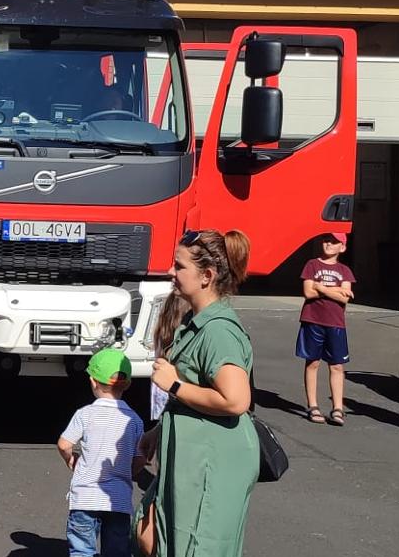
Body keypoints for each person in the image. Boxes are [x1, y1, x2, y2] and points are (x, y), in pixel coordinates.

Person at [140, 229, 256, 557]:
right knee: (154, 536)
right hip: (190, 456)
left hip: (211, 461)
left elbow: (235, 400)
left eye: (179, 267)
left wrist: (175, 384)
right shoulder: (196, 320)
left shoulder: (219, 331)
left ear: (206, 276)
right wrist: (160, 429)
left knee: (195, 546)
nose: (170, 272)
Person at [59, 348, 145, 557]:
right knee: (116, 550)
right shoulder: (134, 420)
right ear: (128, 384)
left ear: (92, 381)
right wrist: (128, 472)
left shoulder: (85, 414)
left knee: (82, 550)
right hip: (118, 500)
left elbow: (64, 444)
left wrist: (72, 459)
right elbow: (140, 458)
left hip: (85, 497)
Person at [298, 233, 355, 426]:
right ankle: (312, 405)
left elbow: (344, 298)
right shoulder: (312, 265)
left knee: (337, 366)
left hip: (336, 322)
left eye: (334, 241)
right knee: (312, 363)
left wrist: (321, 287)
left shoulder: (344, 270)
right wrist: (336, 290)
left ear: (342, 247)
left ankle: (337, 408)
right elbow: (307, 292)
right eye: (326, 240)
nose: (328, 243)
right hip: (313, 319)